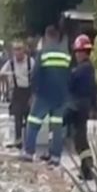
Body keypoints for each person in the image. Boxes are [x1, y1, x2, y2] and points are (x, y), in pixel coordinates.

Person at [21, 25, 72, 166]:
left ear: (47, 37)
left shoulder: (43, 53)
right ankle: (55, 156)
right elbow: (69, 76)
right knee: (57, 126)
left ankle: (28, 152)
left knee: (33, 122)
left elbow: (36, 74)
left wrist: (34, 92)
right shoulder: (66, 55)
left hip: (44, 94)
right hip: (61, 96)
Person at [67, 34, 96, 180]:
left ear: (83, 52)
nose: (77, 55)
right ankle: (86, 169)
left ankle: (87, 169)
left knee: (80, 140)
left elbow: (70, 82)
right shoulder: (88, 68)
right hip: (83, 106)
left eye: (78, 52)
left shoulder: (83, 69)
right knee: (80, 139)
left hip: (79, 106)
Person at [0, 41, 35, 148]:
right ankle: (18, 141)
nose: (17, 53)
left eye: (19, 49)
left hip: (28, 93)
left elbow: (37, 78)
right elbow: (1, 75)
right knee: (16, 118)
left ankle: (29, 143)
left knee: (29, 119)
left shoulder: (30, 62)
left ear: (24, 50)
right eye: (15, 50)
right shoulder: (11, 63)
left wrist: (33, 96)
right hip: (17, 93)